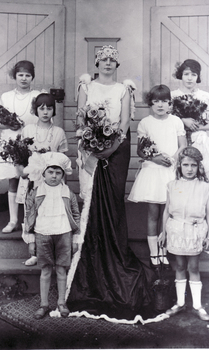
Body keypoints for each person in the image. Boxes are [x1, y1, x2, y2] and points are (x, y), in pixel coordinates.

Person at [66, 45, 155, 322]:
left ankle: (114, 253)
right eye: (103, 59)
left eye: (112, 60)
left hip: (116, 149)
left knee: (112, 202)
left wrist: (110, 146)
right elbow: (80, 119)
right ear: (96, 62)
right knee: (90, 201)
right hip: (90, 149)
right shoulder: (86, 86)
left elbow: (126, 122)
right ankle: (91, 259)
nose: (107, 63)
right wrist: (90, 145)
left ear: (117, 64)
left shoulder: (123, 90)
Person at [128, 85, 186, 271]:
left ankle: (164, 250)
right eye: (156, 101)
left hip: (170, 169)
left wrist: (172, 158)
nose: (160, 105)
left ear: (170, 103)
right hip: (153, 170)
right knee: (153, 212)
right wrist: (156, 158)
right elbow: (140, 149)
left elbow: (183, 146)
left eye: (164, 101)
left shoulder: (176, 121)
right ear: (150, 104)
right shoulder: (145, 122)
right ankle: (154, 253)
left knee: (168, 213)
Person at [159, 146, 209, 321]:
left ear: (198, 167)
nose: (189, 169)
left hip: (195, 231)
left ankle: (197, 305)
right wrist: (163, 232)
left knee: (193, 267)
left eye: (193, 165)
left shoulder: (204, 187)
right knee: (179, 266)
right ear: (179, 166)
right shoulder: (172, 185)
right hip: (177, 230)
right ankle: (179, 303)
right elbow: (166, 211)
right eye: (186, 165)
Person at [23, 152, 80, 319]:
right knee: (46, 270)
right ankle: (44, 304)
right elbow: (29, 216)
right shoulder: (35, 192)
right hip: (42, 233)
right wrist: (31, 240)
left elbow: (76, 215)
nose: (54, 176)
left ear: (63, 175)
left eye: (58, 173)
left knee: (62, 270)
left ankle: (62, 302)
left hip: (63, 234)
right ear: (44, 173)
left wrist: (75, 238)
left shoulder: (68, 193)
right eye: (50, 172)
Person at [0, 60, 41, 233]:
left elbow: (45, 119)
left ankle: (30, 221)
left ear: (32, 77)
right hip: (11, 143)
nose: (24, 78)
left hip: (31, 141)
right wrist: (10, 125)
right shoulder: (7, 97)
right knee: (13, 180)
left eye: (27, 75)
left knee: (32, 181)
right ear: (15, 76)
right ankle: (13, 220)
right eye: (21, 75)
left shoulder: (37, 96)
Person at [19, 93, 68, 266]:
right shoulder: (28, 131)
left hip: (52, 182)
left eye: (49, 108)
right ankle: (34, 252)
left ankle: (51, 251)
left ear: (54, 110)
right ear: (35, 110)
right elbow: (21, 158)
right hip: (32, 180)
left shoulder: (59, 132)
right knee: (32, 214)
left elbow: (62, 161)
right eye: (41, 108)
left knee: (50, 214)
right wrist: (23, 172)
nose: (45, 112)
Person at [171, 59, 209, 180]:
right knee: (177, 177)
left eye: (193, 74)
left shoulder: (205, 96)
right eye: (186, 74)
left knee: (200, 176)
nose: (189, 78)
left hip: (199, 140)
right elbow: (166, 119)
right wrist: (183, 121)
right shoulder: (172, 95)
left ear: (197, 77)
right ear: (181, 75)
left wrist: (198, 126)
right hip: (178, 140)